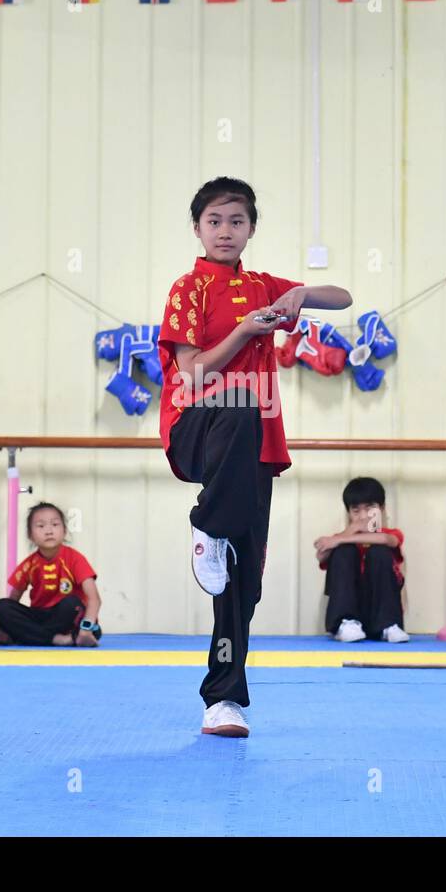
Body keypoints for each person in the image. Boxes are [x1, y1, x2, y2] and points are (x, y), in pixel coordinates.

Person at [158, 176, 352, 737]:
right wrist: (245, 331)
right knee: (241, 404)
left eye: (237, 221)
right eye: (214, 221)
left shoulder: (265, 284)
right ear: (197, 227)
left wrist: (302, 297)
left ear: (251, 230)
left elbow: (343, 297)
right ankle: (206, 525)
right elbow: (193, 370)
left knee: (243, 584)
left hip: (253, 448)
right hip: (198, 425)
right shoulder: (188, 288)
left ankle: (223, 700)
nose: (225, 231)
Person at [0, 502, 103, 647]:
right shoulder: (29, 564)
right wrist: (2, 623)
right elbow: (13, 600)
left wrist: (86, 629)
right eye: (41, 526)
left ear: (64, 531)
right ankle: (59, 639)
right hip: (40, 616)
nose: (49, 531)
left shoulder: (75, 558)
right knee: (1, 607)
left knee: (72, 603)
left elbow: (94, 599)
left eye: (55, 524)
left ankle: (30, 636)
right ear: (30, 535)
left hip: (66, 616)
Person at [317, 476, 409, 643]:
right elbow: (321, 555)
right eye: (356, 510)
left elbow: (389, 541)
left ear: (382, 509)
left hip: (380, 611)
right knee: (344, 551)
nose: (363, 516)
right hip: (349, 606)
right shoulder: (343, 539)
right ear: (349, 513)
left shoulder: (391, 533)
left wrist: (339, 539)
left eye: (370, 508)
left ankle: (388, 626)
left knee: (379, 552)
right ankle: (345, 623)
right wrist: (349, 532)